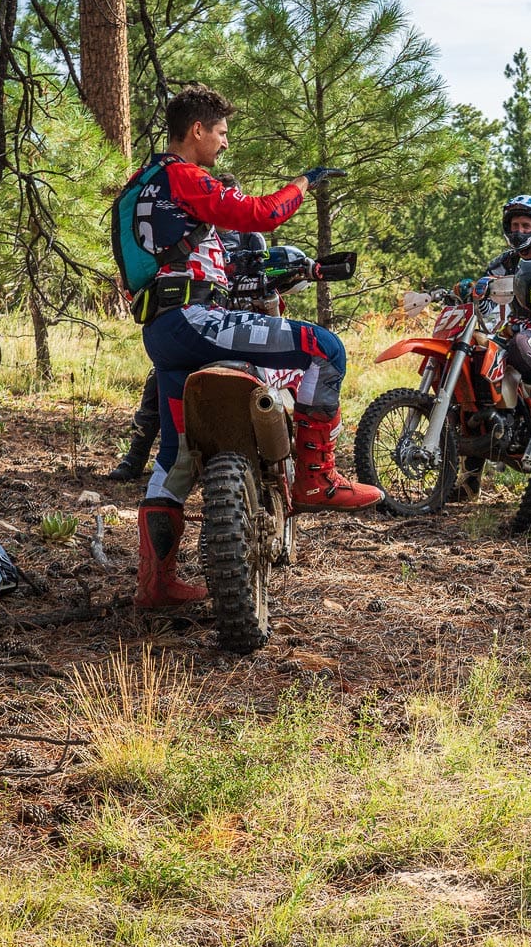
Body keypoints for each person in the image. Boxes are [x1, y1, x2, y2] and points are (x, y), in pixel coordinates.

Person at [113, 85, 382, 610]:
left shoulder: (135, 186)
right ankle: (316, 478)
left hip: (162, 334)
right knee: (325, 348)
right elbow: (260, 215)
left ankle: (157, 585)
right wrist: (303, 183)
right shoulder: (182, 175)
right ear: (197, 131)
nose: (223, 145)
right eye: (221, 133)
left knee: (172, 458)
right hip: (196, 320)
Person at [107, 173, 266, 482]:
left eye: (235, 200)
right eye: (225, 200)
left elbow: (266, 273)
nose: (229, 208)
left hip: (238, 318)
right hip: (198, 315)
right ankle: (136, 456)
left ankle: (266, 464)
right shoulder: (194, 229)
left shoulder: (251, 236)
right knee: (159, 380)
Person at [450, 194, 531, 501]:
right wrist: (469, 290)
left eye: (525, 224)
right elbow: (487, 303)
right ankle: (468, 483)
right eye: (514, 225)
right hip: (503, 335)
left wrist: (525, 325)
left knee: (521, 343)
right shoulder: (502, 263)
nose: (519, 231)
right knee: (472, 371)